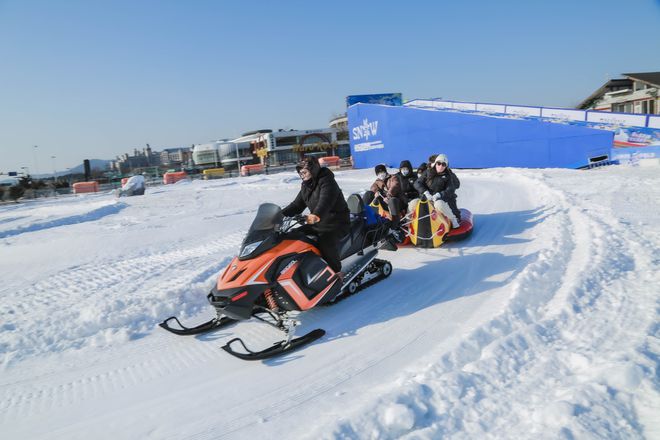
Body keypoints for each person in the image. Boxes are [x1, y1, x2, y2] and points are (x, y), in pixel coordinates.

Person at [282, 156, 350, 273]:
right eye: (300, 172)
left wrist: (315, 215)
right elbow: (297, 205)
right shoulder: (306, 186)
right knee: (294, 235)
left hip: (336, 222)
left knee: (325, 241)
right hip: (318, 223)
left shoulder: (327, 182)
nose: (302, 175)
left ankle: (336, 273)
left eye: (304, 172)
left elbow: (325, 202)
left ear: (313, 170)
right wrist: (278, 215)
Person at [413, 153, 462, 228]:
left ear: (446, 166)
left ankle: (453, 219)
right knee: (414, 203)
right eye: (438, 163)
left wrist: (440, 194)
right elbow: (417, 183)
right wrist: (425, 192)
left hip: (441, 199)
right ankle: (410, 222)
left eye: (443, 164)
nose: (440, 166)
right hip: (427, 198)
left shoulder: (448, 176)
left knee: (439, 204)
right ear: (435, 163)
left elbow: (450, 189)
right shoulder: (427, 172)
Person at [363, 164, 405, 242]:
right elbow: (373, 188)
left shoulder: (393, 178)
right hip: (384, 204)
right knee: (368, 194)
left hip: (397, 202)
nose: (381, 174)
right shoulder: (377, 182)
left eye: (382, 172)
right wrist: (376, 192)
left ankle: (394, 226)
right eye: (378, 173)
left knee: (392, 200)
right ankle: (364, 218)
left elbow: (395, 186)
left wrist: (388, 196)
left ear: (385, 171)